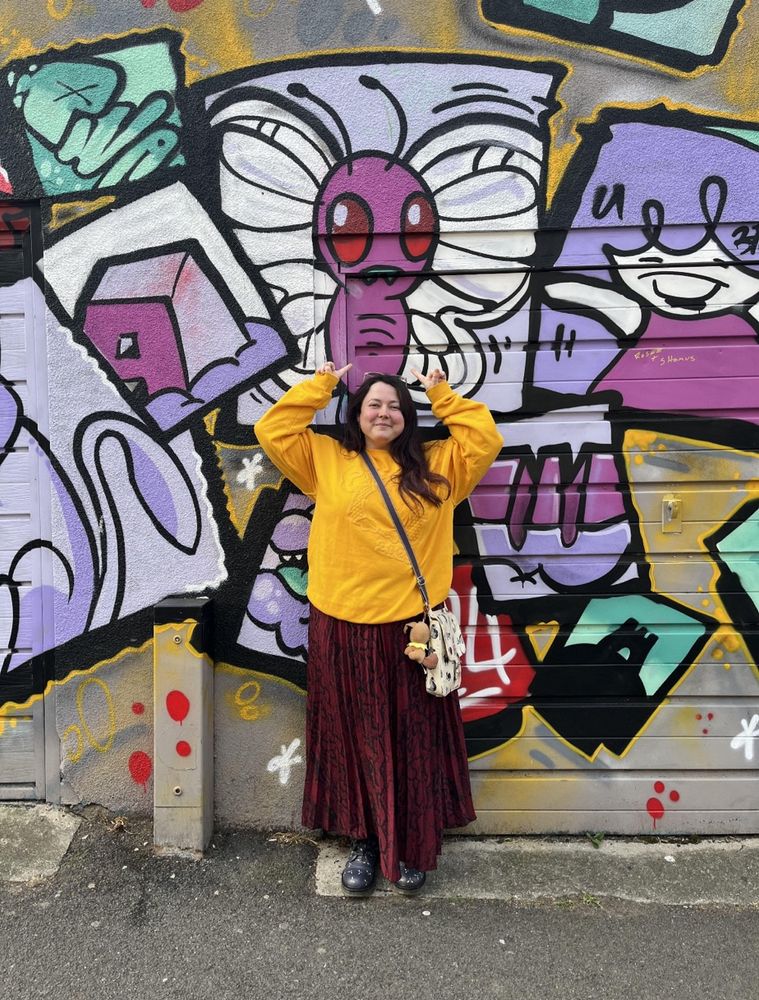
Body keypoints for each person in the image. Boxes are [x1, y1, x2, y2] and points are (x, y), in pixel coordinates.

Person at [254, 361, 502, 895]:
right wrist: (318, 386)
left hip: (413, 629)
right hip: (341, 624)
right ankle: (363, 839)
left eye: (394, 405)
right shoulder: (325, 459)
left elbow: (485, 437)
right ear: (357, 415)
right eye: (374, 404)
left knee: (411, 740)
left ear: (408, 416)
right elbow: (271, 429)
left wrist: (441, 393)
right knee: (353, 738)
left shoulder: (441, 464)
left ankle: (409, 843)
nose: (384, 412)